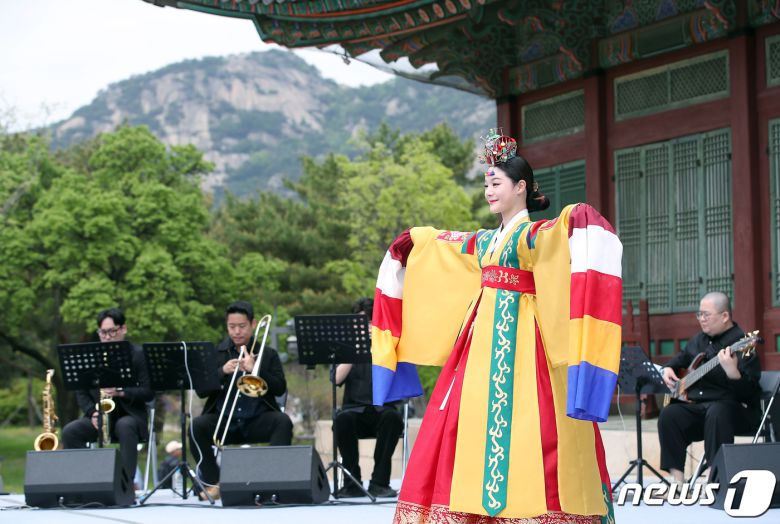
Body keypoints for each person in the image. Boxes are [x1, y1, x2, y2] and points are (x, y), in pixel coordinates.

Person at [371, 130, 621, 523]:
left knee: (535, 423)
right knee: (462, 421)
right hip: (480, 344)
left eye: (496, 184)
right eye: (486, 185)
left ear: (520, 188)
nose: (489, 192)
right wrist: (417, 241)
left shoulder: (530, 234)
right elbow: (450, 244)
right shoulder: (487, 240)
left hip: (525, 343)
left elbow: (557, 234)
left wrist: (578, 217)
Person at [190, 300, 292, 499]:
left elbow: (280, 388)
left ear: (253, 324)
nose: (236, 331)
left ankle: (273, 481)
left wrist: (256, 369)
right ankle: (214, 483)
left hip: (257, 420)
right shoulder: (216, 354)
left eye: (242, 326)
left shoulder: (268, 354)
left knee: (283, 422)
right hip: (225, 421)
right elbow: (201, 391)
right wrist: (221, 372)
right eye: (232, 326)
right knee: (196, 426)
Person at [657, 292, 761, 483]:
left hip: (735, 411)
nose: (701, 319)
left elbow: (751, 393)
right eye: (699, 315)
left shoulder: (744, 344)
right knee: (669, 414)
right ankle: (677, 482)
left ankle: (715, 479)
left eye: (706, 315)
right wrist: (668, 368)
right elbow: (679, 360)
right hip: (700, 409)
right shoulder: (698, 340)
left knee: (717, 411)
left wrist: (733, 373)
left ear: (725, 316)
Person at [61, 308, 154, 488]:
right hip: (100, 417)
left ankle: (125, 486)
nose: (107, 337)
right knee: (70, 432)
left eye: (112, 331)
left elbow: (148, 392)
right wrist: (92, 412)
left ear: (123, 329)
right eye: (103, 332)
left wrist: (121, 391)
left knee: (124, 426)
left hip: (131, 417)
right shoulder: (92, 357)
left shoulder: (138, 355)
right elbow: (81, 391)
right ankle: (89, 481)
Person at [334, 297, 403, 498]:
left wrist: (381, 348)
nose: (365, 327)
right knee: (342, 420)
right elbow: (335, 379)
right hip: (353, 411)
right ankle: (352, 483)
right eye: (360, 323)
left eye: (370, 322)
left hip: (383, 409)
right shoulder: (347, 347)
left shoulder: (389, 346)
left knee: (393, 418)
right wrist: (355, 350)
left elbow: (400, 378)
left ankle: (379, 482)